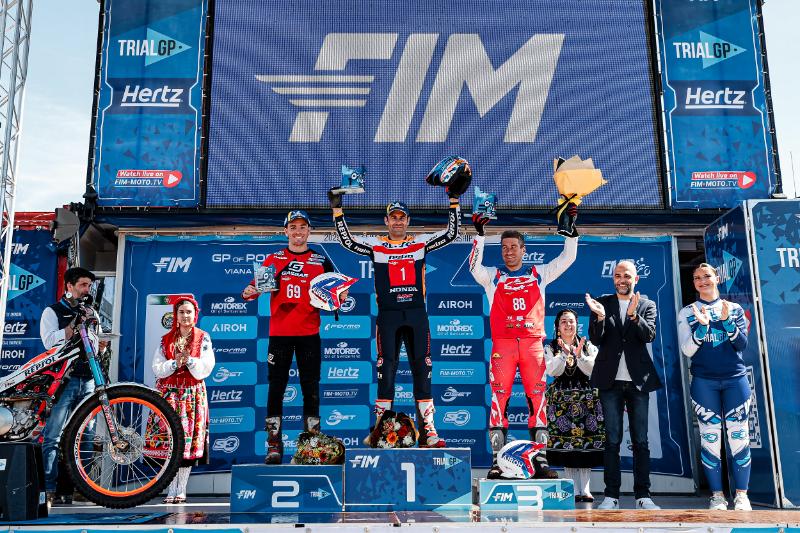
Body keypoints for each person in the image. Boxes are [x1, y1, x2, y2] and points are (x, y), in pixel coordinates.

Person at [329, 191, 460, 447]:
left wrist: (454, 201)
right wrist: (337, 210)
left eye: (402, 218)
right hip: (388, 316)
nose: (398, 222)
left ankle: (429, 431)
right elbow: (348, 241)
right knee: (385, 372)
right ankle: (382, 429)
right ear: (386, 221)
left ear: (408, 221)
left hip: (416, 314)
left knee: (423, 371)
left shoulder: (419, 243)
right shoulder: (376, 245)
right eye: (393, 217)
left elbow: (451, 234)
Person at [469, 214, 577, 478]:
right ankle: (497, 462)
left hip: (532, 345)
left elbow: (568, 259)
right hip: (503, 346)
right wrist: (480, 235)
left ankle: (541, 461)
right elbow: (473, 266)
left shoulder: (539, 274)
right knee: (498, 400)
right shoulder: (492, 276)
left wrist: (571, 233)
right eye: (504, 248)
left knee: (538, 400)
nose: (509, 252)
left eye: (514, 247)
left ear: (523, 250)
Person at [241, 210, 335, 463]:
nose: (298, 232)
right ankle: (274, 445)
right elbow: (253, 290)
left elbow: (336, 293)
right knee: (276, 389)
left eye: (302, 227)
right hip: (280, 334)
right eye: (293, 227)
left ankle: (311, 446)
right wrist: (249, 291)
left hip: (309, 334)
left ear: (309, 230)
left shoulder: (320, 260)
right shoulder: (275, 259)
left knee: (311, 389)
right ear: (286, 231)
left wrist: (341, 295)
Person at [585, 259, 661, 510]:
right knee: (612, 440)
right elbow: (596, 339)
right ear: (613, 278)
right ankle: (611, 497)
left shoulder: (647, 304)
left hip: (638, 382)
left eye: (627, 275)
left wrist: (634, 316)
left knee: (641, 441)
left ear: (635, 279)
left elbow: (649, 335)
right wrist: (599, 317)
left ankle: (643, 496)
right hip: (610, 382)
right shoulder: (602, 303)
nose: (622, 280)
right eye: (618, 275)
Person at [678, 263, 751, 511]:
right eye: (697, 278)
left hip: (735, 380)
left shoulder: (735, 308)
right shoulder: (687, 312)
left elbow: (742, 345)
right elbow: (687, 350)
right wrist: (702, 328)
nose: (702, 281)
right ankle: (717, 496)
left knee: (739, 437)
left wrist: (727, 321)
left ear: (717, 278)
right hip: (704, 382)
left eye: (707, 276)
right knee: (710, 439)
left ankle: (741, 495)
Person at [39, 267, 99, 505]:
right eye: (83, 285)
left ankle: (81, 489)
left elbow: (95, 342)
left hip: (89, 377)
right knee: (53, 435)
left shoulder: (90, 312)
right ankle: (49, 488)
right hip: (64, 380)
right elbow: (48, 342)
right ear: (70, 286)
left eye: (89, 286)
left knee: (86, 435)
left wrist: (98, 344)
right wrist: (73, 326)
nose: (87, 290)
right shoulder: (52, 311)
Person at [147, 297, 215, 504]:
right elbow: (157, 368)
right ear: (175, 316)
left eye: (189, 312)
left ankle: (181, 489)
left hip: (191, 395)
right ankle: (170, 489)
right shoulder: (165, 339)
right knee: (170, 442)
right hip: (168, 396)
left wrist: (190, 361)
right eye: (181, 312)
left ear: (195, 315)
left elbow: (207, 367)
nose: (185, 316)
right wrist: (174, 363)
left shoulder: (203, 338)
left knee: (185, 443)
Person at [544, 308, 603, 502]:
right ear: (557, 326)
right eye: (563, 321)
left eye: (571, 321)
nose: (568, 325)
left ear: (577, 324)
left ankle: (585, 489)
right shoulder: (551, 347)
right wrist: (563, 354)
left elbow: (593, 370)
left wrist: (579, 356)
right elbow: (552, 370)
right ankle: (572, 489)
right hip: (560, 400)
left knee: (585, 443)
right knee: (566, 444)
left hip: (586, 398)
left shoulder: (588, 345)